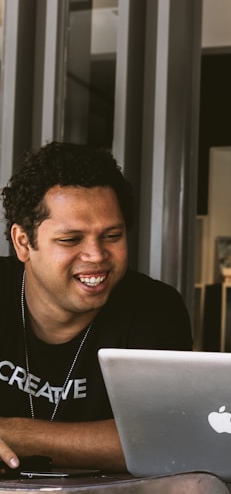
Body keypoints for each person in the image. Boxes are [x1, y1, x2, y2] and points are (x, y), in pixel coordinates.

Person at [0, 141, 193, 472]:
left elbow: (161, 437)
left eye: (112, 236)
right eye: (71, 240)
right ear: (23, 242)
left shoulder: (155, 308)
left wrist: (15, 434)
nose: (97, 255)